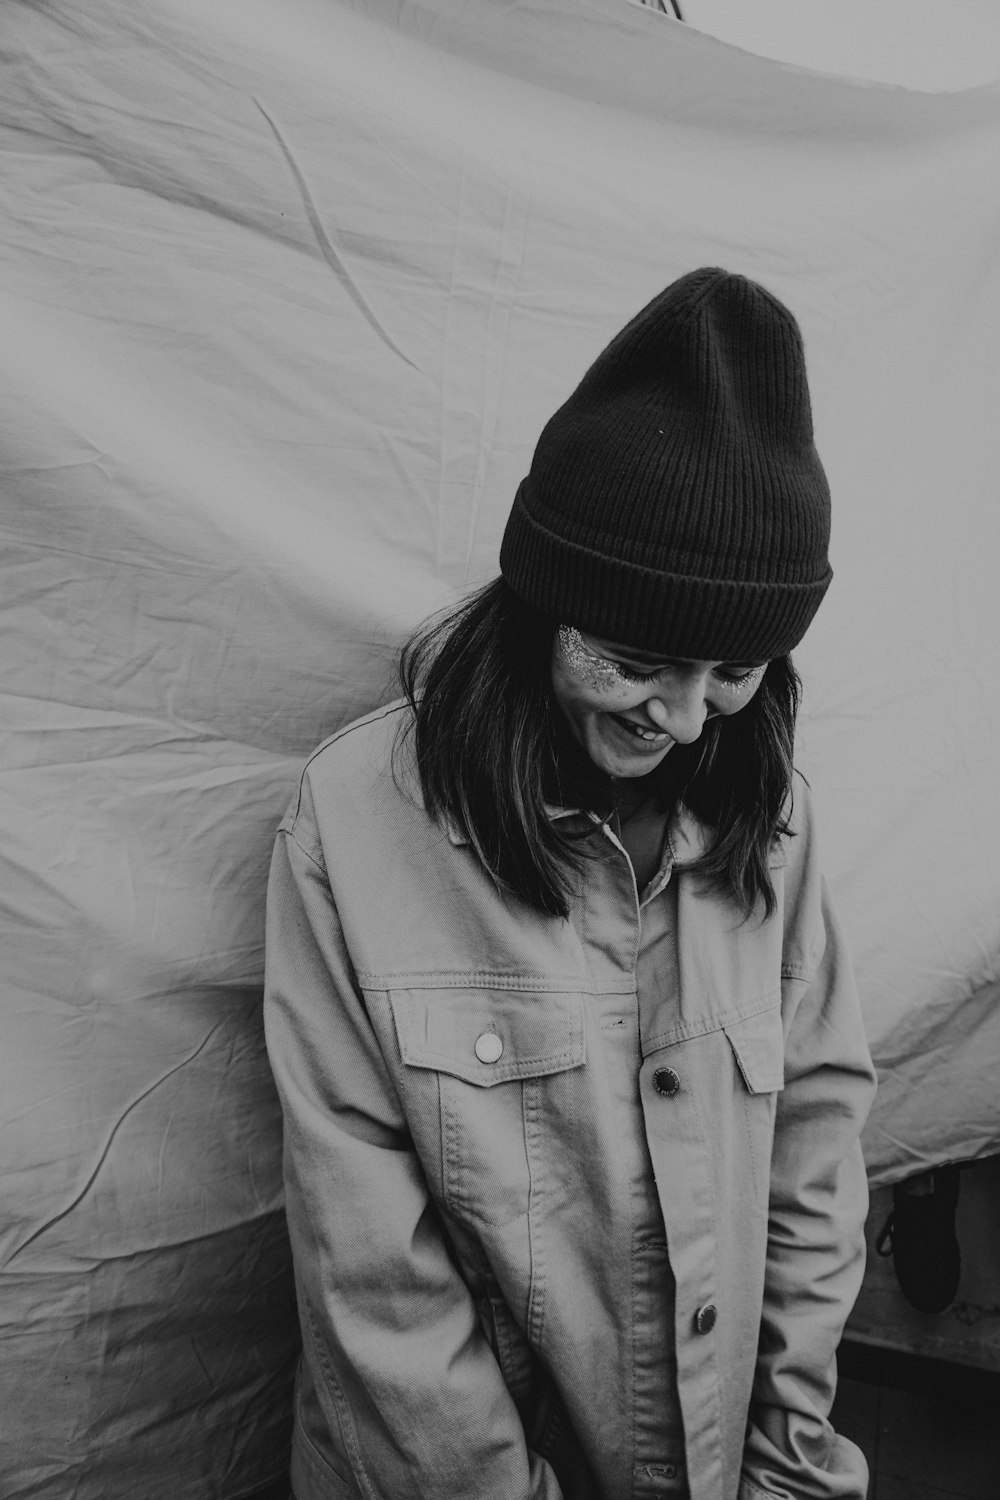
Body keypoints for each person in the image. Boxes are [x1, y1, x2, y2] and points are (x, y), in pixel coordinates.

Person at [263, 267, 877, 1500]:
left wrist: (786, 1470)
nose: (689, 717)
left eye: (735, 670)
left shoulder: (775, 822)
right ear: (545, 608)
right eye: (640, 660)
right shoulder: (353, 827)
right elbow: (374, 1279)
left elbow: (815, 1159)